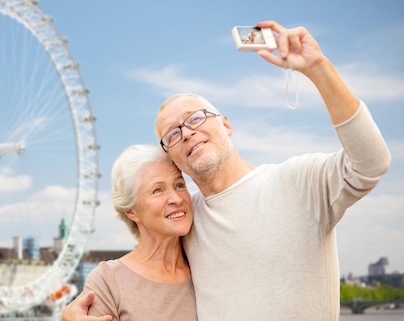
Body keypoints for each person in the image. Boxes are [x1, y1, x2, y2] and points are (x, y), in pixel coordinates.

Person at [62, 20, 391, 321]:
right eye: (173, 134)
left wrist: (318, 69)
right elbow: (142, 273)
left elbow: (372, 163)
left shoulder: (299, 181)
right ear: (173, 158)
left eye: (195, 118)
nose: (187, 132)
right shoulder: (187, 222)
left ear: (227, 124)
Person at [78, 144, 196, 320]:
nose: (177, 199)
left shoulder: (205, 266)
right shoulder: (108, 281)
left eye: (179, 185)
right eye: (157, 190)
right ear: (131, 211)